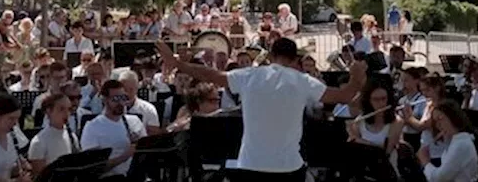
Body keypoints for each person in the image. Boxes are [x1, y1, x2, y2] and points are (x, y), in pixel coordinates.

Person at [157, 37, 366, 181]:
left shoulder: (250, 76)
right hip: (288, 167)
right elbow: (344, 96)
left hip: (251, 164)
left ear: (271, 56)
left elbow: (210, 75)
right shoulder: (303, 81)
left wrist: (178, 64)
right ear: (295, 60)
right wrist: (357, 77)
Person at [79, 80, 145, 181]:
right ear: (105, 100)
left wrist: (140, 145)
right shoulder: (92, 127)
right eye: (115, 99)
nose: (121, 103)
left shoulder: (134, 121)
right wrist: (124, 156)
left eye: (123, 98)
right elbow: (93, 168)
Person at [416, 100, 478, 182]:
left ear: (452, 117)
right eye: (435, 122)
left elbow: (438, 178)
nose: (438, 125)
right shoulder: (455, 142)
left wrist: (425, 161)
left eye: (440, 119)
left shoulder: (461, 145)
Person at [346, 79, 401, 167]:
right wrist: (351, 134)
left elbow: (385, 152)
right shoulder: (360, 120)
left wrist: (356, 139)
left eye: (383, 99)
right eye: (375, 99)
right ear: (369, 101)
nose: (381, 103)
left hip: (386, 168)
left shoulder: (396, 121)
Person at [28, 92, 80, 176]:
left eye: (69, 109)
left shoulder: (72, 136)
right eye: (61, 109)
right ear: (49, 111)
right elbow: (39, 176)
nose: (67, 114)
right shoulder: (39, 142)